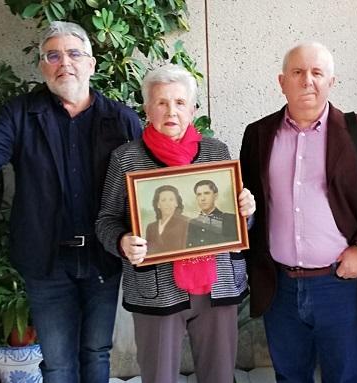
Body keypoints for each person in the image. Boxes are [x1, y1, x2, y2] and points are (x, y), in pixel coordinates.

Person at [0, 22, 142, 383]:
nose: (65, 63)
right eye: (53, 55)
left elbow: (150, 181)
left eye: (74, 53)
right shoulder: (20, 115)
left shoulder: (121, 120)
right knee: (58, 363)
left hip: (103, 258)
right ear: (42, 66)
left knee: (96, 352)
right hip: (45, 261)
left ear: (92, 64)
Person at [239, 42, 357, 382]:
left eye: (317, 73)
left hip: (339, 284)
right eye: (297, 72)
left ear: (331, 82)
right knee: (290, 376)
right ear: (282, 82)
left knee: (344, 376)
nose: (308, 80)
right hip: (279, 286)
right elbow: (248, 203)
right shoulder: (258, 135)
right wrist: (244, 215)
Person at [95, 64, 256, 383]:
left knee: (220, 376)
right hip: (156, 290)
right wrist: (122, 241)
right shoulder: (125, 158)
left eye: (180, 103)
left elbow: (235, 221)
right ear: (147, 108)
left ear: (193, 108)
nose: (171, 111)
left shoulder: (216, 151)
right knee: (159, 377)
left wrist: (247, 211)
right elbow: (106, 221)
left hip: (217, 285)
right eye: (162, 102)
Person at [186, 179, 238, 248]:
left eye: (206, 193)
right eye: (199, 194)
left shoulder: (230, 219)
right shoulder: (192, 223)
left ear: (215, 196)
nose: (202, 198)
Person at [145, 185, 189, 253]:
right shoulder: (151, 227)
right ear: (158, 204)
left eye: (171, 200)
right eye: (163, 200)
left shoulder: (186, 222)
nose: (167, 204)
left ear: (176, 203)